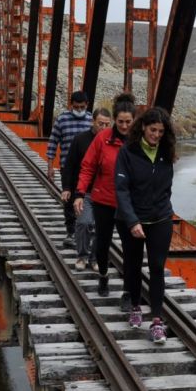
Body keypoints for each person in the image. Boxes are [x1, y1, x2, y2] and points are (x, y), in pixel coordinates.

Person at [114, 106, 177, 343]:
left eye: (161, 131)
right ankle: (136, 307)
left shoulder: (166, 152)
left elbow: (166, 187)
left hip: (160, 218)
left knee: (157, 267)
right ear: (142, 127)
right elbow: (121, 190)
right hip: (131, 219)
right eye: (153, 130)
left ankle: (157, 321)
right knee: (132, 265)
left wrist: (162, 210)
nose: (157, 135)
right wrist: (132, 221)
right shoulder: (127, 152)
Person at [73, 94, 137, 297]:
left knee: (131, 248)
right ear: (114, 120)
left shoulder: (138, 141)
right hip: (104, 200)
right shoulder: (103, 138)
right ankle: (103, 275)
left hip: (129, 203)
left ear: (134, 120)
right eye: (121, 122)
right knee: (102, 243)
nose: (125, 126)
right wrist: (80, 193)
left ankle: (128, 291)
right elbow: (88, 167)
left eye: (128, 122)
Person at [62, 107, 112, 270]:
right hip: (86, 192)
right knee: (83, 223)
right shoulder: (80, 140)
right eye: (100, 124)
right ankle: (82, 256)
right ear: (92, 122)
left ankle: (95, 258)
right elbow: (69, 165)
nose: (103, 128)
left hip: (104, 192)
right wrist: (68, 188)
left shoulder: (112, 142)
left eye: (107, 124)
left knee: (100, 227)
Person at [47, 90, 92, 248]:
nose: (79, 110)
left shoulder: (91, 120)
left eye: (82, 107)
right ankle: (71, 232)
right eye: (76, 107)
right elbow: (53, 142)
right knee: (69, 201)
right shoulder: (62, 119)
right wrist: (50, 166)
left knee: (87, 199)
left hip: (88, 169)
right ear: (71, 105)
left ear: (87, 105)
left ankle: (85, 230)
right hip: (67, 168)